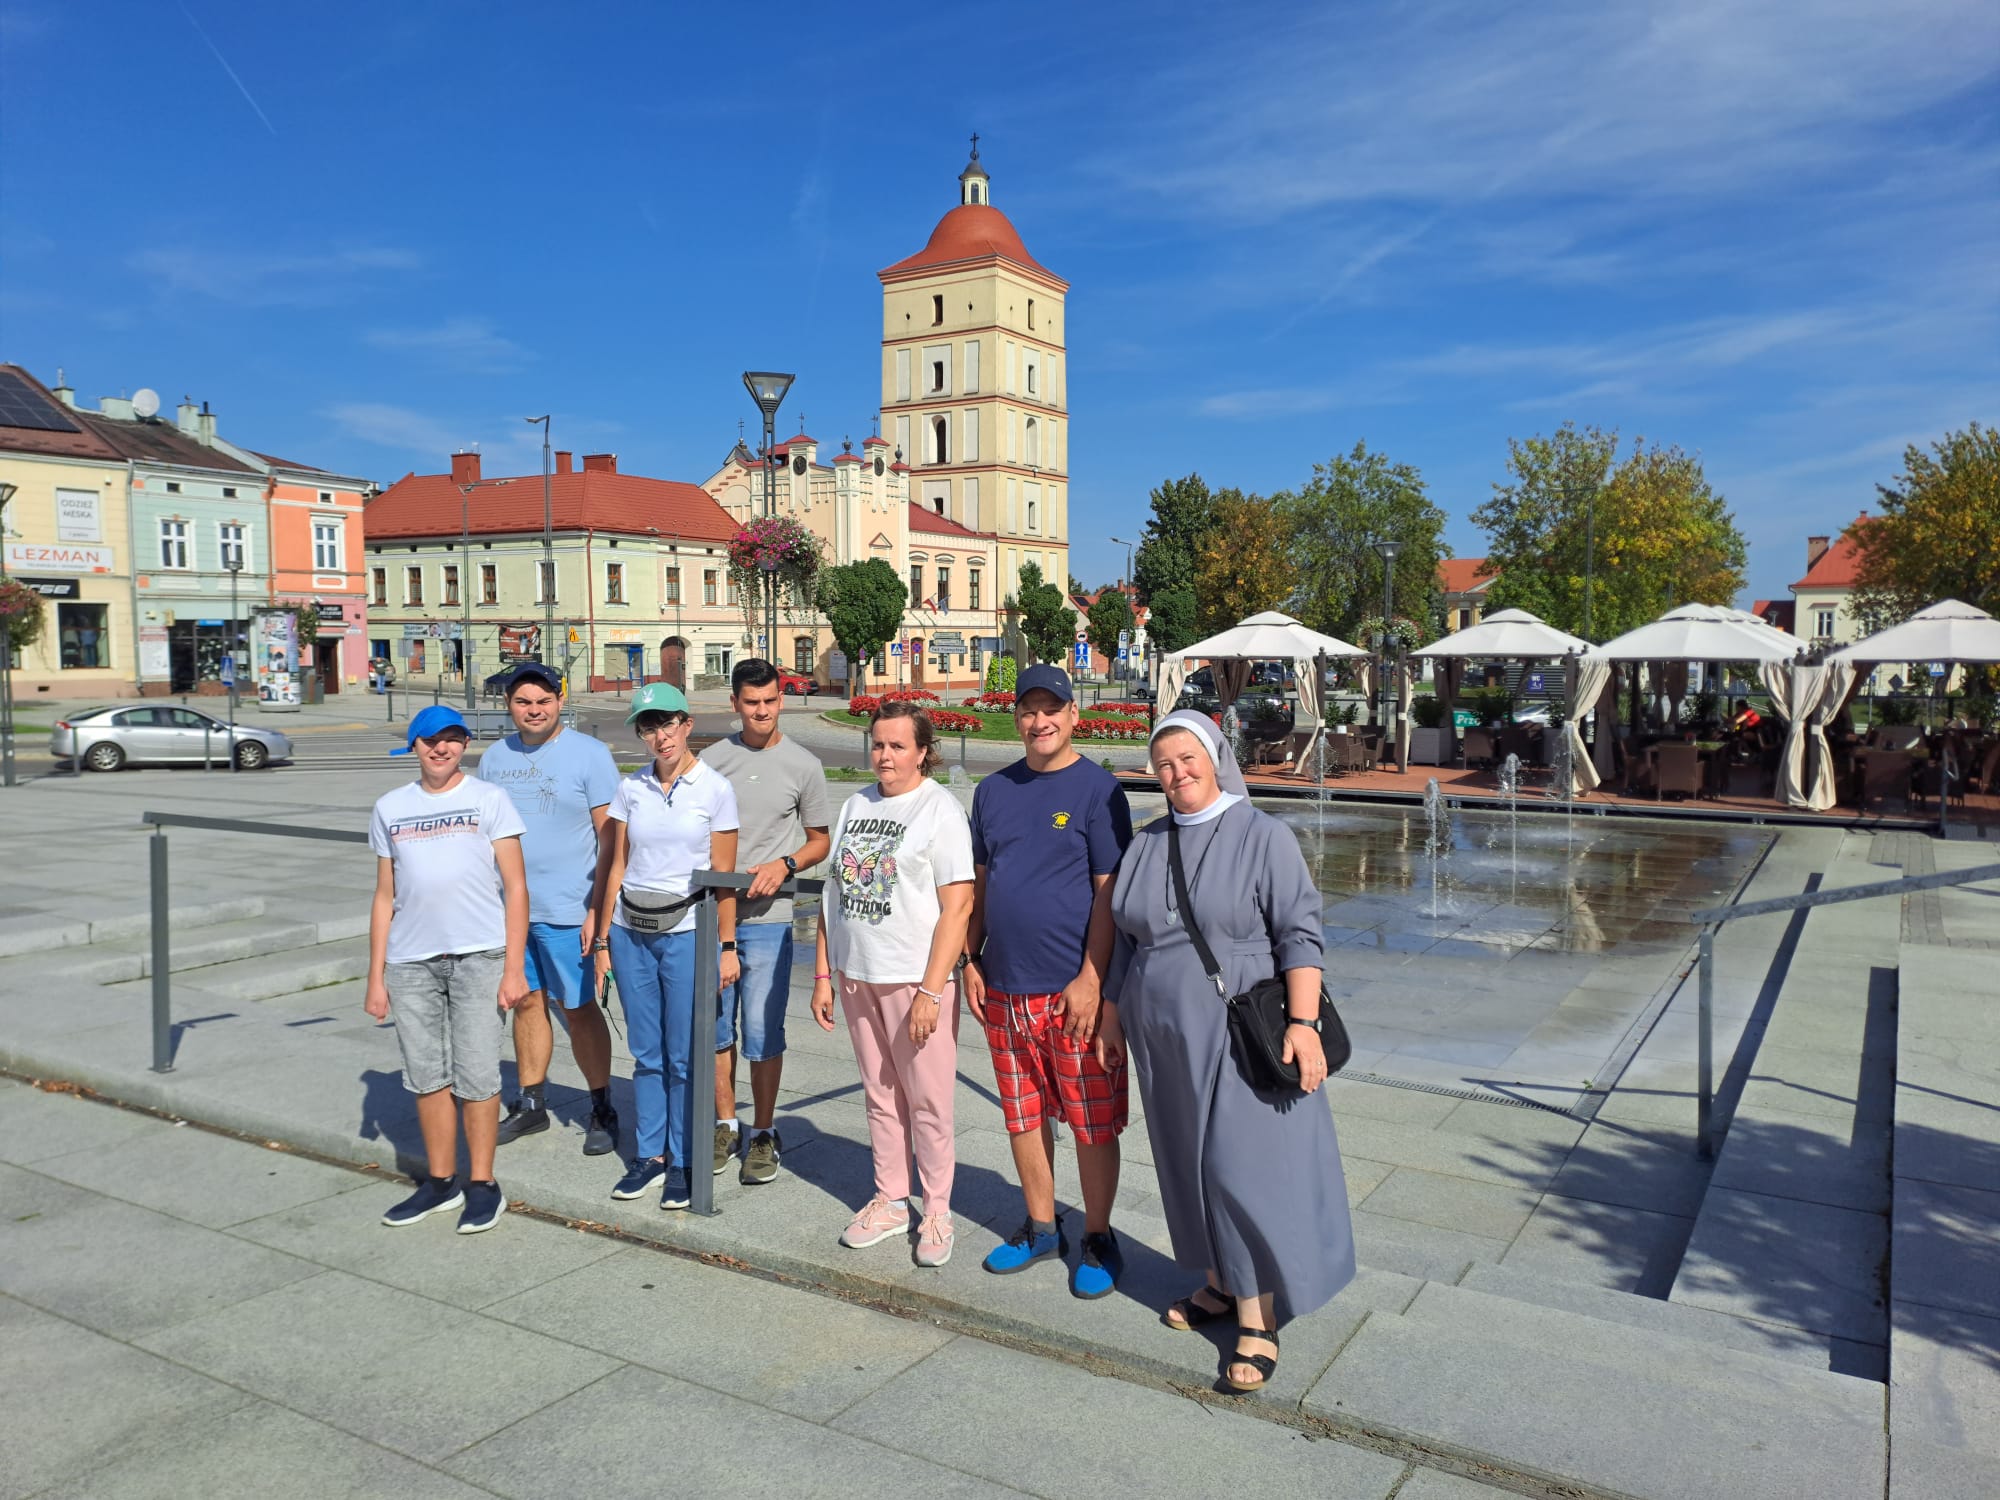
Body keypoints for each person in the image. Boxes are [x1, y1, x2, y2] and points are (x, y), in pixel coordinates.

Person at [1106, 709, 1352, 1393]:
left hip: (1236, 1027)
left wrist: (1301, 1024)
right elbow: (1130, 943)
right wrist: (1110, 1016)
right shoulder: (1149, 842)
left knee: (1237, 1167)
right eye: (1164, 764)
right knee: (1187, 1165)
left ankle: (1257, 1315)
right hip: (1161, 1032)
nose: (1177, 773)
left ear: (1216, 758)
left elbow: (1301, 934)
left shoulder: (1261, 835)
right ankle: (1217, 1280)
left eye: (1188, 759)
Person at [963, 665, 1134, 1296]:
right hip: (1004, 987)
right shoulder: (994, 791)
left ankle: (1097, 1234)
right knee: (1023, 1114)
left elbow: (1109, 895)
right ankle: (1040, 1226)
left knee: (1091, 1120)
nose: (1041, 721)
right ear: (1018, 719)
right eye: (1030, 711)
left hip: (1071, 993)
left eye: (1052, 709)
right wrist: (969, 960)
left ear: (1074, 716)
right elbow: (981, 885)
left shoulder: (1099, 791)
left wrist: (1093, 978)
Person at [811, 700, 973, 1269]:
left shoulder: (940, 811)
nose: (885, 755)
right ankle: (890, 1199)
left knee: (927, 1102)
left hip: (913, 978)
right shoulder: (856, 804)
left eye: (898, 745)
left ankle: (937, 1209)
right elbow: (834, 895)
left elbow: (958, 909)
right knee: (880, 1098)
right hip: (859, 975)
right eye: (879, 744)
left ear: (924, 751)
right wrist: (824, 973)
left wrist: (932, 991)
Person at [365, 705, 530, 1234]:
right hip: (410, 963)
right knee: (426, 1076)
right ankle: (440, 1181)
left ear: (464, 745)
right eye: (430, 741)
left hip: (480, 958)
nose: (442, 749)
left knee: (479, 1075)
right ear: (413, 746)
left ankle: (482, 1184)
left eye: (453, 740)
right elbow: (384, 895)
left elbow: (517, 887)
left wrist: (513, 967)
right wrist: (375, 976)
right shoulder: (390, 808)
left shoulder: (489, 799)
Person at [593, 684, 739, 1211]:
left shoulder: (714, 789)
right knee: (646, 1054)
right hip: (632, 933)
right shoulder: (631, 789)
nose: (660, 736)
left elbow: (723, 876)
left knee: (683, 1056)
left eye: (667, 723)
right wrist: (605, 939)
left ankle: (683, 1160)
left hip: (685, 935)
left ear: (687, 723)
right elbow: (618, 865)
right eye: (648, 727)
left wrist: (726, 945)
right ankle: (649, 1156)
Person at [479, 662, 622, 1156]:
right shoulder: (495, 758)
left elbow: (611, 839)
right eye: (523, 702)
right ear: (509, 706)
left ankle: (602, 1105)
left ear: (559, 701)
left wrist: (595, 909)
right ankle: (532, 1102)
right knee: (526, 1003)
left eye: (543, 701)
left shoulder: (590, 754)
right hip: (514, 913)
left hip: (569, 909)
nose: (534, 710)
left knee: (579, 1008)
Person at [700, 659, 831, 1185]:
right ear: (735, 703)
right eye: (751, 702)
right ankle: (724, 1124)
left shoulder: (804, 765)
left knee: (760, 1030)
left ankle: (763, 1131)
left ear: (782, 700)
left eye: (770, 701)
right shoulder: (709, 762)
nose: (761, 711)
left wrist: (786, 863)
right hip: (712, 918)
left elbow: (819, 839)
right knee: (714, 1029)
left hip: (770, 920)